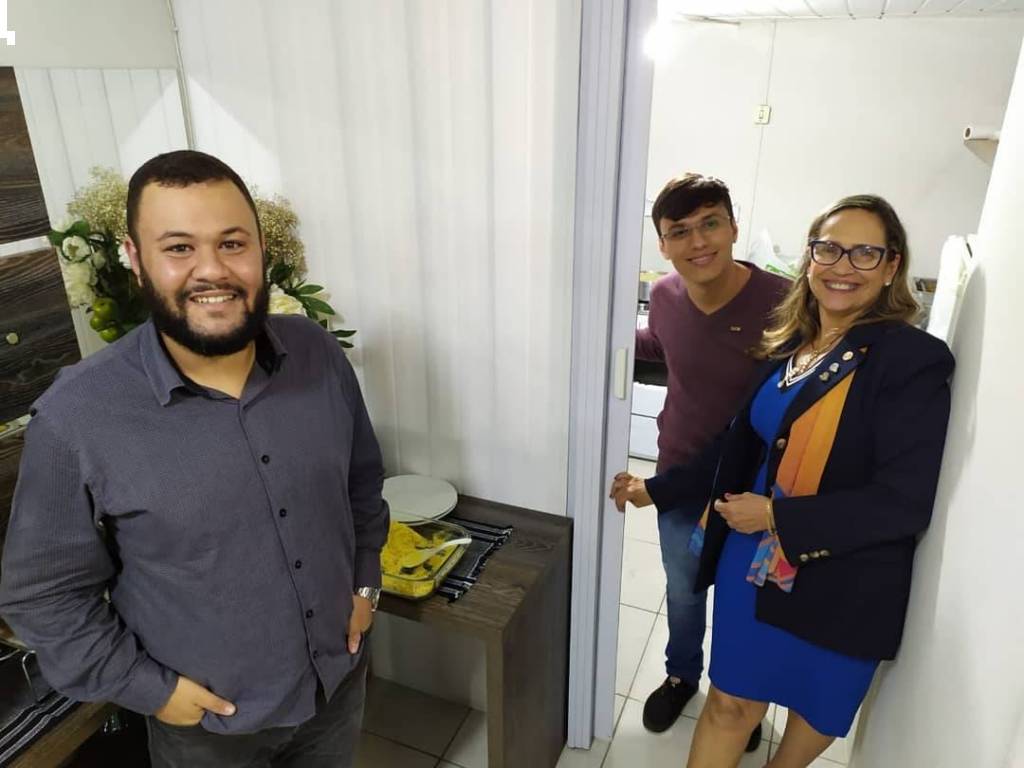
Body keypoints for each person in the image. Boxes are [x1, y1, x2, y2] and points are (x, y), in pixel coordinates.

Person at [0, 150, 389, 768]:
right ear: (135, 259)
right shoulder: (77, 417)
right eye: (179, 248)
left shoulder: (317, 353)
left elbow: (362, 486)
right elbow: (44, 595)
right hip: (207, 732)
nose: (212, 269)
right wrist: (150, 691)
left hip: (337, 688)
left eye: (232, 243)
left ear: (262, 249)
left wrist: (366, 582)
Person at [657, 195, 954, 768]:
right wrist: (661, 488)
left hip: (839, 579)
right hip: (751, 566)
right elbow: (739, 442)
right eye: (829, 249)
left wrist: (775, 516)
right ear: (810, 258)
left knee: (807, 724)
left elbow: (904, 502)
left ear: (891, 266)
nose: (843, 266)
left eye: (865, 253)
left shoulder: (909, 359)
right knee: (727, 706)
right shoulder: (792, 341)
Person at [609, 174, 789, 747]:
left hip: (752, 491)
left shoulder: (783, 303)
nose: (698, 241)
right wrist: (597, 336)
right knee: (685, 591)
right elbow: (661, 344)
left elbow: (758, 428)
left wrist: (657, 490)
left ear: (733, 226)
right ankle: (681, 675)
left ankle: (736, 698)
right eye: (679, 231)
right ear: (663, 245)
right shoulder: (665, 296)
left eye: (710, 223)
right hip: (680, 472)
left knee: (744, 600)